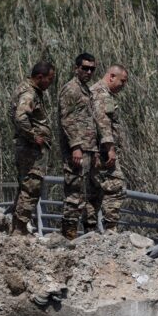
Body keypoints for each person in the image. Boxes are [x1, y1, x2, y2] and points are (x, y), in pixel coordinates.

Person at [9, 61, 56, 236]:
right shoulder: (29, 93)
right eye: (49, 79)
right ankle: (20, 229)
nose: (50, 83)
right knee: (31, 187)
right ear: (39, 77)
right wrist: (33, 136)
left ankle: (17, 227)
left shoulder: (28, 89)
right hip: (30, 150)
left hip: (28, 148)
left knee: (25, 187)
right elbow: (21, 117)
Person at [58, 52, 98, 239]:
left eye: (92, 69)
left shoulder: (85, 90)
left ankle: (89, 235)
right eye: (85, 68)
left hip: (89, 149)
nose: (88, 72)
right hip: (77, 151)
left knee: (89, 193)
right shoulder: (71, 89)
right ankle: (69, 236)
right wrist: (75, 146)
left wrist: (95, 149)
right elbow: (67, 119)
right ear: (76, 68)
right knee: (74, 194)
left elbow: (88, 121)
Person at [88, 65, 129, 233]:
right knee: (116, 185)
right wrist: (110, 148)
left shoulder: (95, 91)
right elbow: (102, 123)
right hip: (103, 150)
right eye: (122, 81)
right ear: (112, 76)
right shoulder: (102, 94)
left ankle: (90, 230)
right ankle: (111, 228)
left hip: (95, 150)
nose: (123, 85)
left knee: (94, 190)